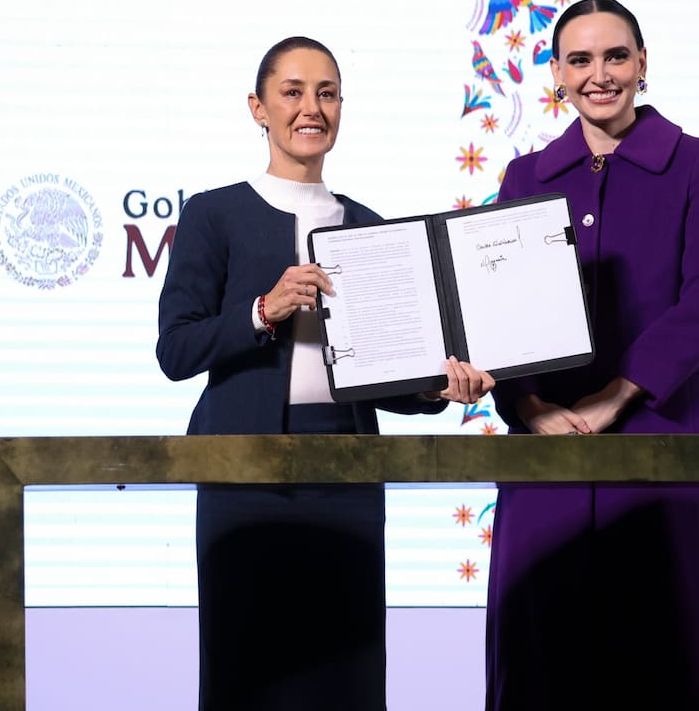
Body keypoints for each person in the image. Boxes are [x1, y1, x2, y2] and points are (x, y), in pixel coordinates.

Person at [157, 36, 494, 711]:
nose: (311, 108)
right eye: (293, 91)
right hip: (242, 469)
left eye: (328, 93)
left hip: (346, 472)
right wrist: (262, 309)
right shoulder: (212, 214)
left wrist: (438, 385)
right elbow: (176, 349)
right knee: (243, 669)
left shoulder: (370, 227)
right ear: (258, 107)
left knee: (349, 671)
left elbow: (389, 373)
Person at [484, 0, 699, 710]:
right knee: (546, 653)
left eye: (615, 56)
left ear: (641, 64)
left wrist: (617, 395)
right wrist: (529, 403)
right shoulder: (526, 177)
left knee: (669, 651)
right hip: (549, 446)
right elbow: (498, 311)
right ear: (557, 74)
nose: (599, 75)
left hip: (666, 437)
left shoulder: (698, 163)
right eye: (580, 59)